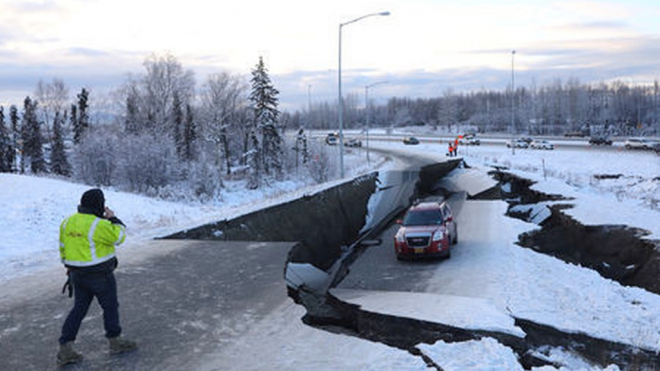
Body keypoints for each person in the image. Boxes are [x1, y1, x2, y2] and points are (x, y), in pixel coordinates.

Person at [57, 188, 137, 366]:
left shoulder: (67, 222)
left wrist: (69, 267)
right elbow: (119, 236)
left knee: (78, 309)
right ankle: (115, 341)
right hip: (100, 275)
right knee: (110, 306)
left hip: (77, 274)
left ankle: (65, 348)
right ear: (99, 205)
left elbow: (63, 247)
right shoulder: (99, 224)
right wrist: (113, 219)